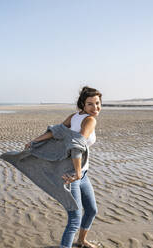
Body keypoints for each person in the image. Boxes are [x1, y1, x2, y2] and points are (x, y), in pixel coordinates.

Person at [24, 86, 102, 248]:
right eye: (90, 104)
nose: (95, 108)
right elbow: (77, 144)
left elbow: (56, 132)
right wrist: (78, 172)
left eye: (98, 103)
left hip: (82, 174)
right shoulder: (89, 120)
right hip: (73, 175)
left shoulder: (75, 117)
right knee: (75, 218)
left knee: (91, 210)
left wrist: (35, 141)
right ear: (83, 104)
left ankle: (81, 240)